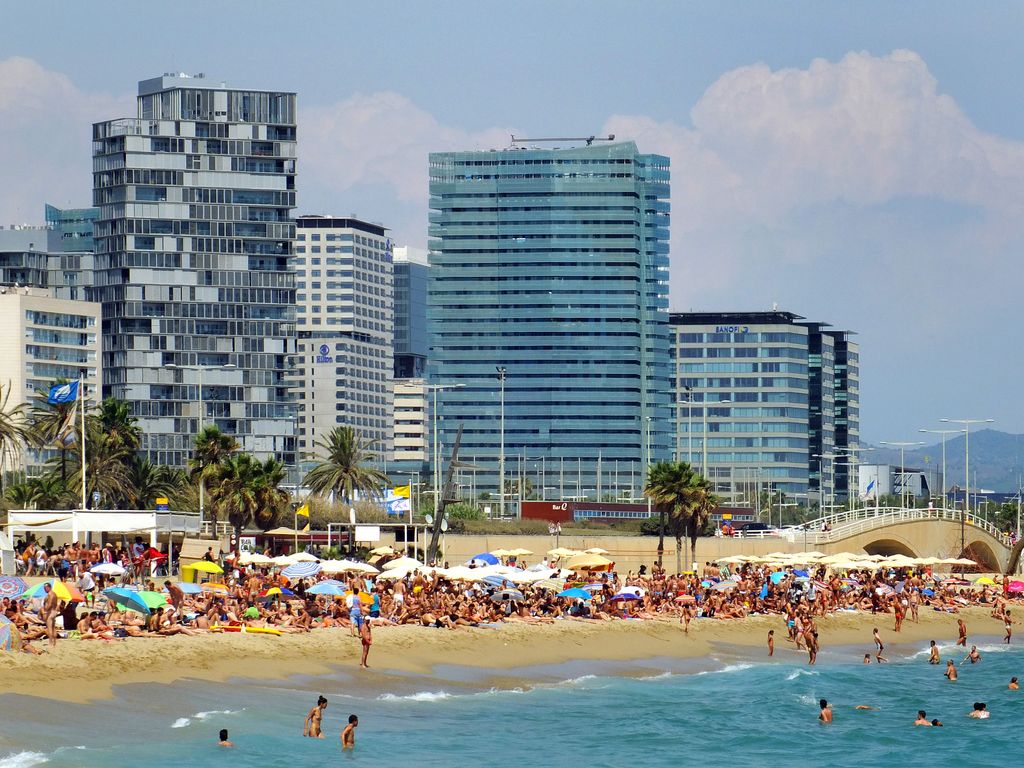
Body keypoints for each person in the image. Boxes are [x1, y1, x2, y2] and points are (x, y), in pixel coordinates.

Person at [41, 583, 59, 648]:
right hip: (54, 611)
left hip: (50, 612)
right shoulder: (54, 594)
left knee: (50, 628)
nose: (44, 590)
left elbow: (50, 604)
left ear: (49, 587)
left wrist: (46, 610)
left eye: (45, 588)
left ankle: (51, 643)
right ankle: (54, 642)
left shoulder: (50, 594)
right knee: (53, 628)